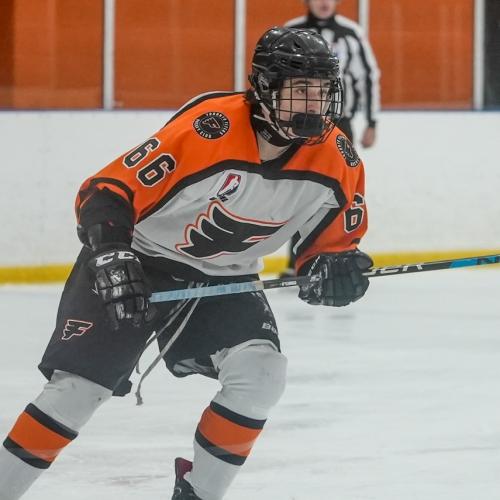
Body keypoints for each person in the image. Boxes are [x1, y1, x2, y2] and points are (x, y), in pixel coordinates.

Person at [0, 27, 372, 500]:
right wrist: (112, 254)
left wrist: (335, 271)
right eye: (300, 90)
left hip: (225, 280)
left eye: (321, 91)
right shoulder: (209, 128)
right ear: (264, 87)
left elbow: (330, 247)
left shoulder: (338, 158)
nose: (313, 104)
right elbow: (107, 192)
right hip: (139, 260)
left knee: (261, 375)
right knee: (76, 391)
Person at [280, 0, 380, 276]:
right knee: (298, 190)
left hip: (339, 122)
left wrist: (372, 122)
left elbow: (367, 77)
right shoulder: (291, 32)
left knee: (341, 191)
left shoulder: (351, 33)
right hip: (298, 123)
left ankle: (340, 257)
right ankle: (297, 261)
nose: (324, 2)